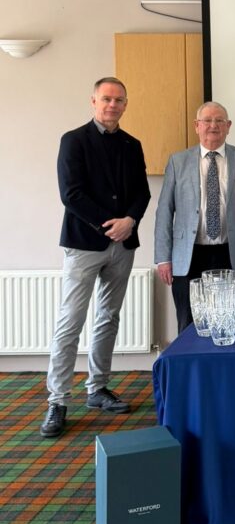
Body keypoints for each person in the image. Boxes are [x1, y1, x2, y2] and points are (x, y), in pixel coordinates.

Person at [41, 77, 151, 439]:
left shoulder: (132, 144)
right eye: (106, 99)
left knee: (108, 317)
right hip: (85, 243)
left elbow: (142, 192)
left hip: (123, 245)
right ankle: (58, 400)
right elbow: (71, 194)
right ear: (93, 101)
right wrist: (111, 225)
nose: (112, 105)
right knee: (70, 321)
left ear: (125, 105)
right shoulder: (73, 140)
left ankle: (97, 388)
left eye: (119, 100)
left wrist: (130, 220)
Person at [154, 101, 235, 334]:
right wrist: (163, 257)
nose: (213, 126)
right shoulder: (178, 161)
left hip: (232, 253)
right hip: (189, 255)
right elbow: (164, 211)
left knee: (231, 322)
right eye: (207, 120)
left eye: (219, 121)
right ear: (197, 126)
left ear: (228, 126)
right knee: (188, 324)